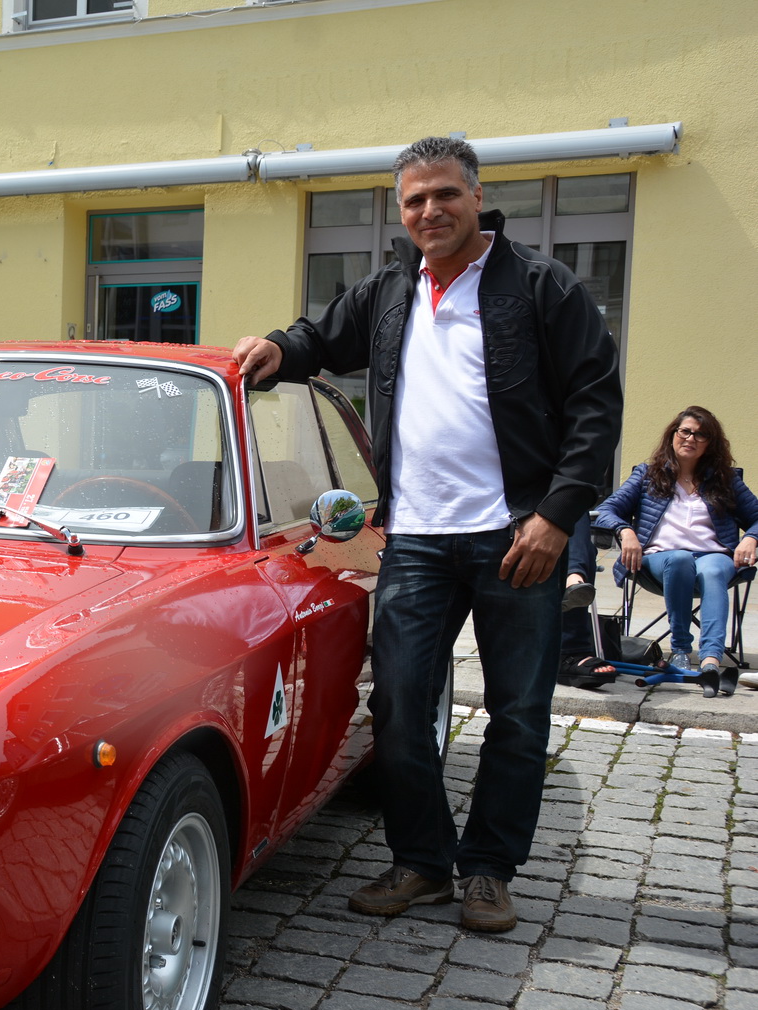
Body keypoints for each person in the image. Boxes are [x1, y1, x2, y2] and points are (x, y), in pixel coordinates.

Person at [232, 136, 622, 933]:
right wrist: (278, 346)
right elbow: (321, 338)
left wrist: (556, 514)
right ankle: (421, 861)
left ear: (477, 197)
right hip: (413, 534)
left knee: (518, 713)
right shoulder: (389, 292)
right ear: (401, 212)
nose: (429, 211)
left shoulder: (541, 287)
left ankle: (487, 871)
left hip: (516, 536)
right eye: (414, 200)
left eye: (444, 194)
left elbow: (595, 404)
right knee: (402, 707)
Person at [594, 407, 758, 697]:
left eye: (701, 434)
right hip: (659, 559)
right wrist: (626, 531)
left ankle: (710, 659)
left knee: (713, 569)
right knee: (680, 559)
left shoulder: (725, 479)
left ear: (711, 443)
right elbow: (606, 510)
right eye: (685, 431)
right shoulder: (647, 474)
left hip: (713, 555)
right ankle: (681, 648)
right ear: (673, 434)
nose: (691, 438)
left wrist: (751, 539)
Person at [559, 514, 616, 688]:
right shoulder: (650, 486)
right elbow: (609, 508)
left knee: (575, 507)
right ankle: (571, 651)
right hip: (504, 526)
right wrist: (625, 530)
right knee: (585, 549)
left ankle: (573, 576)